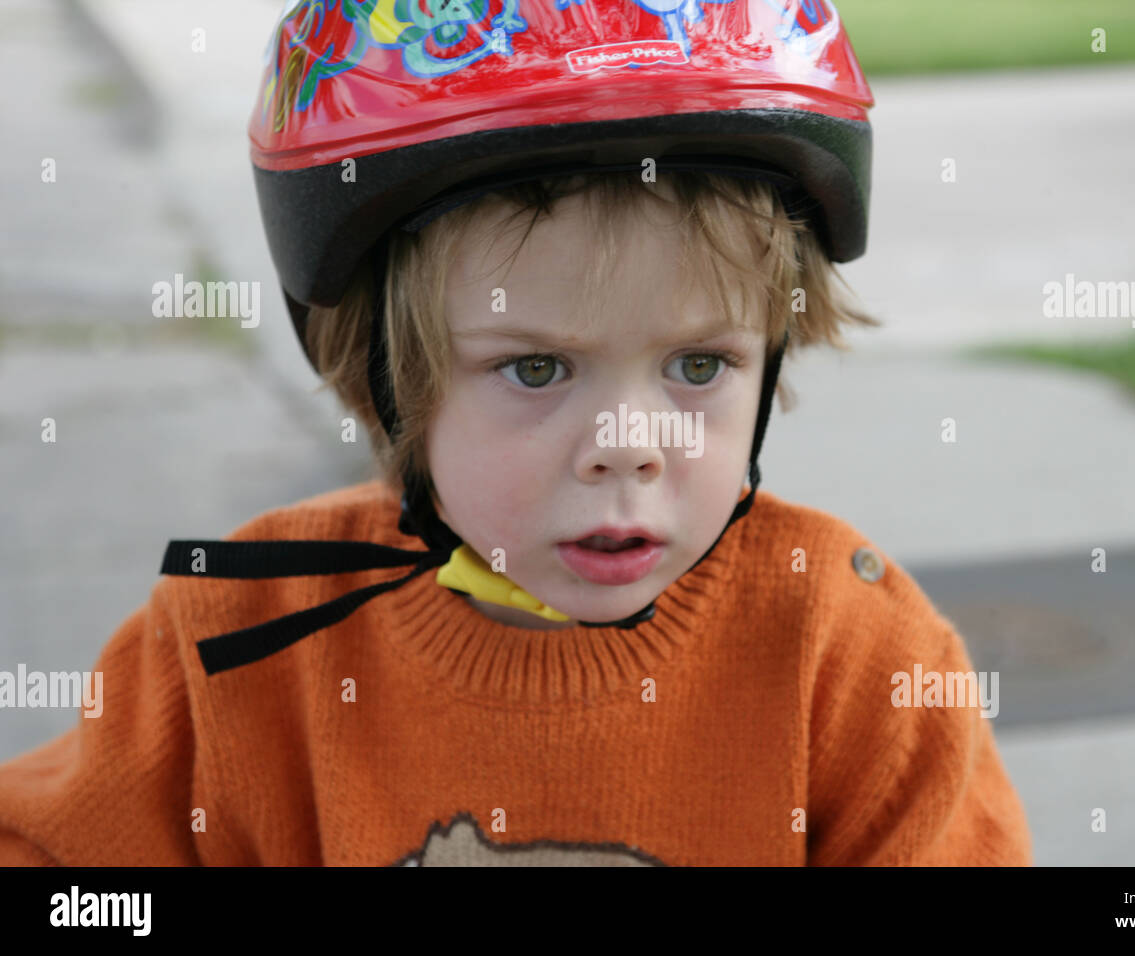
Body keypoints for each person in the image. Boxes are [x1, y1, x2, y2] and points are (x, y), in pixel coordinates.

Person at [0, 0, 1032, 865]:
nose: (626, 444)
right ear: (380, 375)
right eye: (536, 369)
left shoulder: (851, 657)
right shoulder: (241, 644)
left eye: (698, 365)